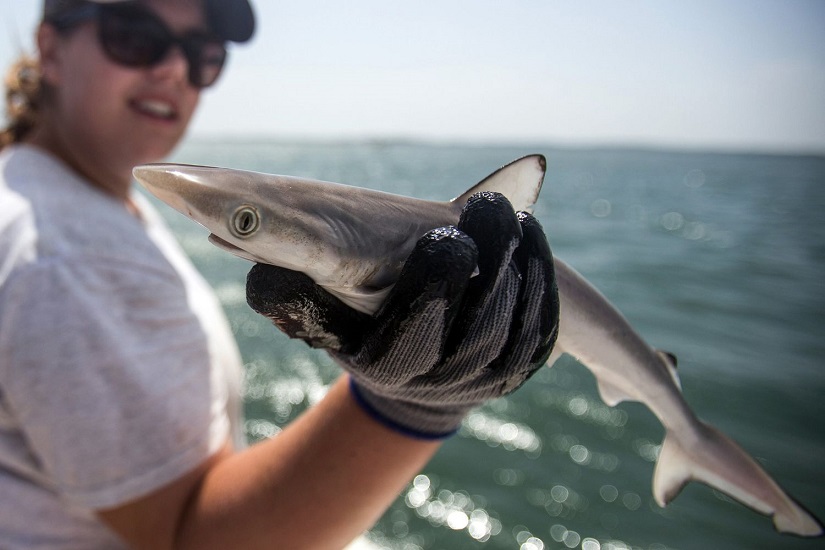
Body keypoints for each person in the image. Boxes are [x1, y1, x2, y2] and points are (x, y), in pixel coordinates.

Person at [0, 1, 559, 548]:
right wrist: (412, 403)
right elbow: (190, 539)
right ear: (50, 47)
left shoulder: (61, 193)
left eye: (203, 54)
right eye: (133, 34)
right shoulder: (67, 258)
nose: (173, 70)